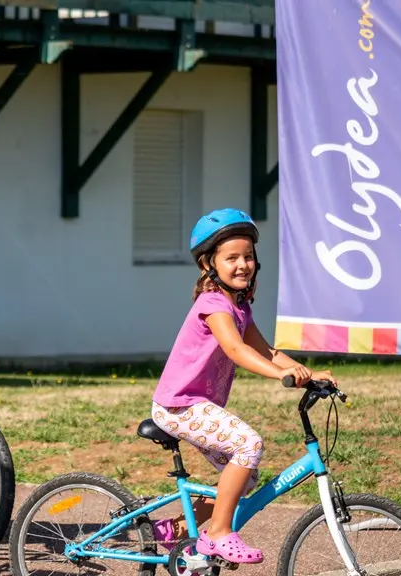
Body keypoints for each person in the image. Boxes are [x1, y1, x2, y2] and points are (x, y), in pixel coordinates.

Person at [148, 208, 333, 564]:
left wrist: (306, 372)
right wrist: (278, 375)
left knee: (245, 477)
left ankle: (172, 528)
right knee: (248, 444)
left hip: (198, 405)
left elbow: (267, 350)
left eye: (247, 256)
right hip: (178, 405)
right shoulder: (213, 304)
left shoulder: (240, 306)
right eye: (231, 258)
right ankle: (217, 533)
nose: (242, 264)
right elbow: (236, 349)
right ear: (209, 265)